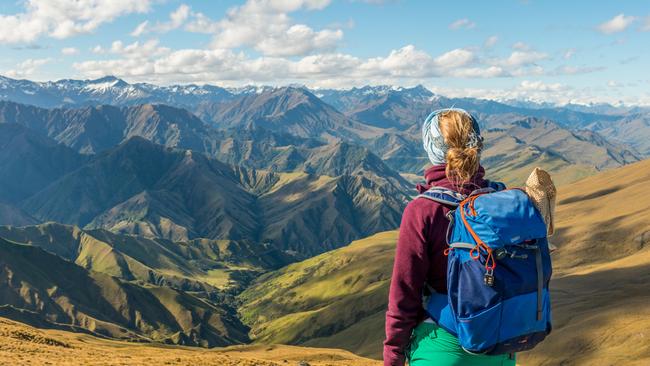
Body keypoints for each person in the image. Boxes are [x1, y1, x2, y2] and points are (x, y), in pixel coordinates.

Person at [383, 108, 516, 366]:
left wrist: (393, 354)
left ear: (431, 149)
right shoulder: (502, 201)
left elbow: (404, 293)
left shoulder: (423, 210)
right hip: (499, 348)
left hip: (442, 347)